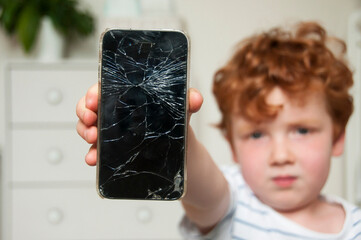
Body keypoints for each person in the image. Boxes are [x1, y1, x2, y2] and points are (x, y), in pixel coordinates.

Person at [76, 22, 361, 239]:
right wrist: (175, 129)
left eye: (302, 130)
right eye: (257, 135)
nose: (280, 155)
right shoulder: (233, 200)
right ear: (233, 145)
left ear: (337, 138)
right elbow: (205, 192)